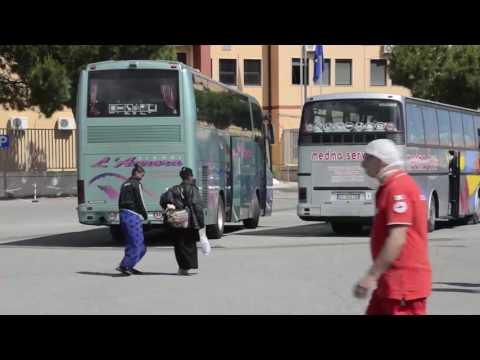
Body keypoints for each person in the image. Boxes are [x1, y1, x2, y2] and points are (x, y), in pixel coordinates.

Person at [353, 139, 432, 315]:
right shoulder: (389, 186)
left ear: (379, 161)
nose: (362, 164)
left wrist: (371, 275)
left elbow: (397, 238)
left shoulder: (398, 188)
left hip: (403, 285)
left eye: (367, 158)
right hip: (389, 284)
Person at [160, 167, 205, 276]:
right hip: (190, 221)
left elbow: (163, 200)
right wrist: (201, 223)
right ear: (190, 176)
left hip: (177, 220)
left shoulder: (174, 189)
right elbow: (197, 207)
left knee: (179, 244)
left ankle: (182, 268)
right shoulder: (193, 189)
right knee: (190, 243)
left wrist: (173, 207)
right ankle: (188, 266)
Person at [116, 163, 148, 276]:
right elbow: (140, 200)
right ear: (137, 173)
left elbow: (119, 200)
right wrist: (145, 214)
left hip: (123, 214)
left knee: (131, 243)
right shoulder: (136, 184)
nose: (142, 178)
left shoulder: (124, 184)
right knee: (138, 244)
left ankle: (129, 266)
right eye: (142, 175)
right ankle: (124, 266)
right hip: (132, 215)